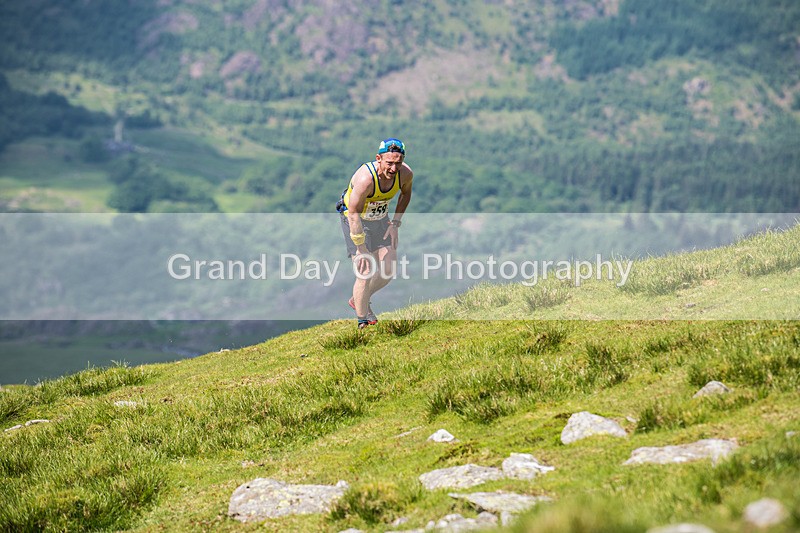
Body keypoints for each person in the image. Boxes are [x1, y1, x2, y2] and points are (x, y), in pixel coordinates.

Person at [337, 138, 413, 329]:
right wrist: (361, 248)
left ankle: (358, 299)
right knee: (365, 269)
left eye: (398, 163)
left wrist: (395, 224)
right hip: (355, 219)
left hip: (380, 219)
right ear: (378, 158)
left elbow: (405, 194)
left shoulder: (405, 174)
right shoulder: (366, 179)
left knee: (388, 269)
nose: (394, 169)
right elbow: (353, 213)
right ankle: (363, 321)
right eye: (389, 163)